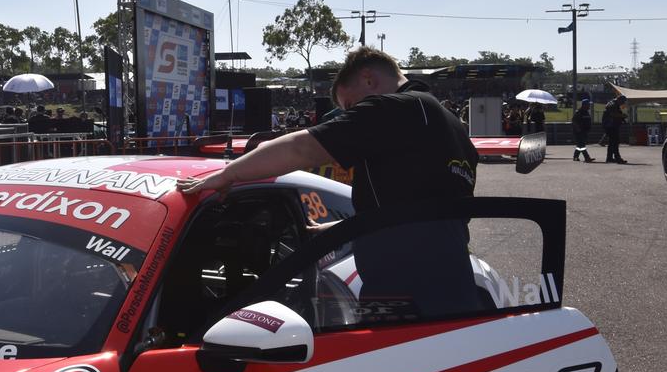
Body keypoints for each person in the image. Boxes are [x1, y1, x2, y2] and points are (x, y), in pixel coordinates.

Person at [178, 46, 481, 316]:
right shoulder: (450, 125)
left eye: (350, 106)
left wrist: (228, 173)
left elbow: (301, 148)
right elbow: (420, 209)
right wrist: (347, 227)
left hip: (406, 300)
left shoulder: (395, 109)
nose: (352, 114)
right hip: (454, 291)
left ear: (368, 80)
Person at [602, 96, 628, 164]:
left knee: (611, 142)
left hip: (611, 125)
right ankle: (617, 158)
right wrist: (622, 116)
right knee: (615, 142)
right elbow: (613, 114)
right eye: (622, 102)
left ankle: (609, 158)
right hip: (611, 125)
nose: (622, 103)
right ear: (619, 100)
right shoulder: (613, 104)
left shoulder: (613, 103)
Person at [572, 98, 596, 163]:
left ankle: (575, 157)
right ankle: (587, 157)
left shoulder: (586, 112)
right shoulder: (579, 112)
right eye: (588, 104)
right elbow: (574, 121)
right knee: (582, 146)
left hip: (585, 131)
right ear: (584, 105)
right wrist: (578, 129)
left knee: (580, 145)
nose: (589, 106)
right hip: (579, 132)